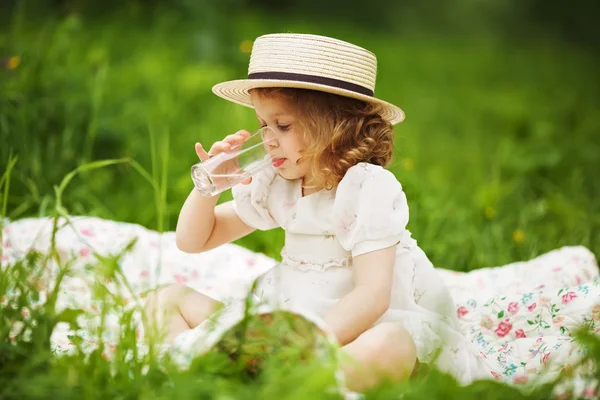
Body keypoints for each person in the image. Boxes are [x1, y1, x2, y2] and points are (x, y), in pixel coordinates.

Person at [142, 33, 599, 392]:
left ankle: (296, 384)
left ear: (335, 127)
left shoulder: (366, 189)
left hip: (354, 327)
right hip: (290, 318)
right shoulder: (277, 183)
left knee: (392, 346)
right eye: (264, 126)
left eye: (282, 125)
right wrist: (208, 186)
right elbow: (194, 241)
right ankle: (189, 378)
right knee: (167, 299)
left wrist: (304, 345)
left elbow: (373, 296)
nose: (270, 139)